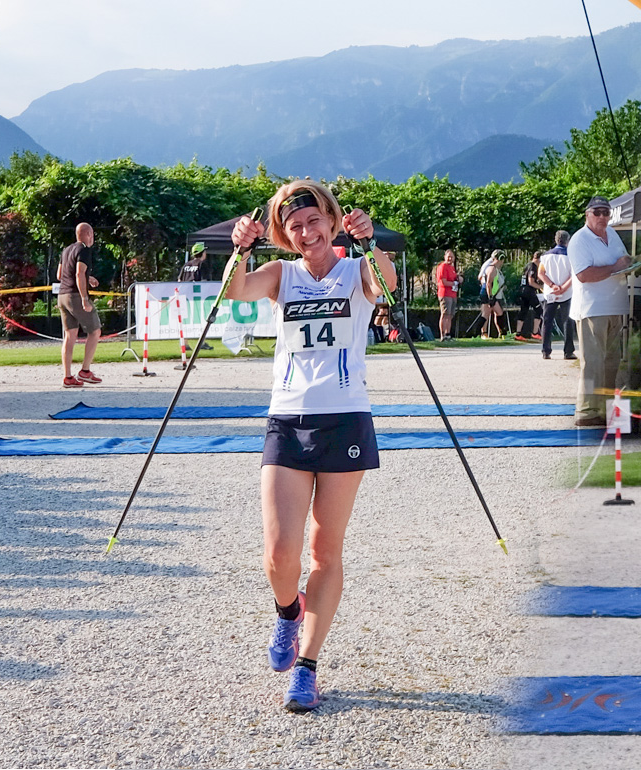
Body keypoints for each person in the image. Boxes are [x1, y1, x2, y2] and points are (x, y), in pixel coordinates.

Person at [226, 180, 397, 713]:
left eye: (314, 221)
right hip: (288, 420)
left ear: (331, 219)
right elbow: (236, 291)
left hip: (346, 421)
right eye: (294, 226)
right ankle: (287, 613)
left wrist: (373, 243)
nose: (306, 233)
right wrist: (240, 249)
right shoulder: (282, 275)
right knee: (279, 553)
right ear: (286, 233)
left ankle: (307, 666)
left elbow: (386, 285)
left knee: (326, 550)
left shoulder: (355, 268)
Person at [568, 196, 632, 426]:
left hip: (615, 306)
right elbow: (584, 275)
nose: (603, 217)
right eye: (598, 212)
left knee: (611, 362)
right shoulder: (579, 240)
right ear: (587, 214)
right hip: (592, 309)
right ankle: (586, 412)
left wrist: (630, 262)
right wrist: (616, 267)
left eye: (606, 212)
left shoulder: (612, 234)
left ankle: (605, 410)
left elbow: (623, 260)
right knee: (592, 362)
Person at [58, 223, 103, 389]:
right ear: (89, 233)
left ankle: (67, 376)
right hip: (75, 296)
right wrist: (85, 298)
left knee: (70, 336)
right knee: (95, 330)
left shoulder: (66, 250)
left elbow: (59, 274)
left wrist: (87, 277)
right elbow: (78, 273)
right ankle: (85, 370)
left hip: (62, 296)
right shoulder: (84, 249)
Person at [539, 230, 576, 361]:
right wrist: (562, 288)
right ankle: (568, 351)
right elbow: (573, 275)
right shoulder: (571, 256)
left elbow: (541, 274)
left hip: (550, 292)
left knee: (547, 322)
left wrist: (552, 285)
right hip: (567, 293)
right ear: (567, 241)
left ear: (556, 240)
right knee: (568, 322)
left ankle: (546, 351)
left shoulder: (545, 256)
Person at [515, 251, 544, 340]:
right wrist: (541, 287)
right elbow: (531, 282)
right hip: (529, 291)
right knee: (539, 310)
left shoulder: (527, 265)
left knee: (523, 311)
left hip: (523, 290)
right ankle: (535, 333)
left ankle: (518, 334)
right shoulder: (533, 267)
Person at [478, 250, 506, 339]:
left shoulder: (496, 269)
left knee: (499, 312)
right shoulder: (492, 269)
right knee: (486, 314)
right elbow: (488, 284)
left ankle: (503, 333)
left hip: (492, 295)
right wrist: (490, 297)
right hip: (487, 294)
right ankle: (478, 333)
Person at [434, 249, 459, 340]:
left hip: (453, 294)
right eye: (448, 256)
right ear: (445, 257)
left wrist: (458, 279)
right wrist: (454, 284)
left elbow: (455, 278)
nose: (450, 258)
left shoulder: (452, 268)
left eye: (452, 257)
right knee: (445, 314)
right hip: (445, 293)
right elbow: (443, 282)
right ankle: (442, 335)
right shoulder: (442, 267)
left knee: (450, 315)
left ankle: (448, 334)